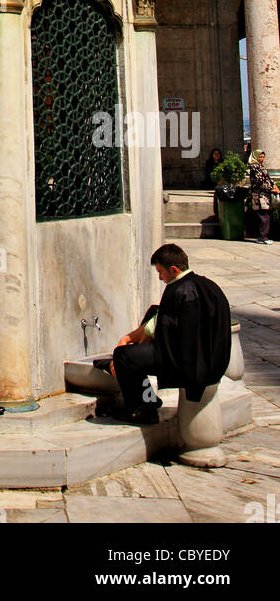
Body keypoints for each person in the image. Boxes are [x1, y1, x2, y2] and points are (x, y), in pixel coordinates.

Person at [107, 243, 231, 426]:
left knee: (124, 357)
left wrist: (129, 342)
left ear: (173, 270)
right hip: (215, 362)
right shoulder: (210, 286)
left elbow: (161, 329)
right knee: (152, 314)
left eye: (161, 272)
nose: (160, 277)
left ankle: (142, 410)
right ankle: (148, 399)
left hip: (189, 366)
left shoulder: (177, 290)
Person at [248, 150, 279, 243]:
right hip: (260, 195)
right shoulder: (254, 168)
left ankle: (262, 236)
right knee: (263, 216)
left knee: (264, 215)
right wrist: (271, 189)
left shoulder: (260, 167)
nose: (262, 159)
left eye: (263, 157)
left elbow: (267, 178)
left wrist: (274, 185)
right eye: (260, 157)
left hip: (264, 194)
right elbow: (260, 181)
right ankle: (263, 237)